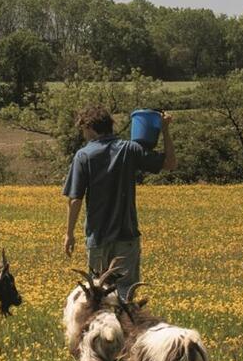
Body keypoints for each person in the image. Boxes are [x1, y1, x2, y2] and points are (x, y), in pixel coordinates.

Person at [62, 105, 174, 299]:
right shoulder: (130, 149)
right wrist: (164, 129)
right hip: (127, 236)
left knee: (100, 296)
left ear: (89, 127)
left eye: (83, 129)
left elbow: (75, 200)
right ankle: (126, 328)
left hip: (98, 238)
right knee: (126, 295)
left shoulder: (84, 155)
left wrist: (69, 234)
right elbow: (170, 164)